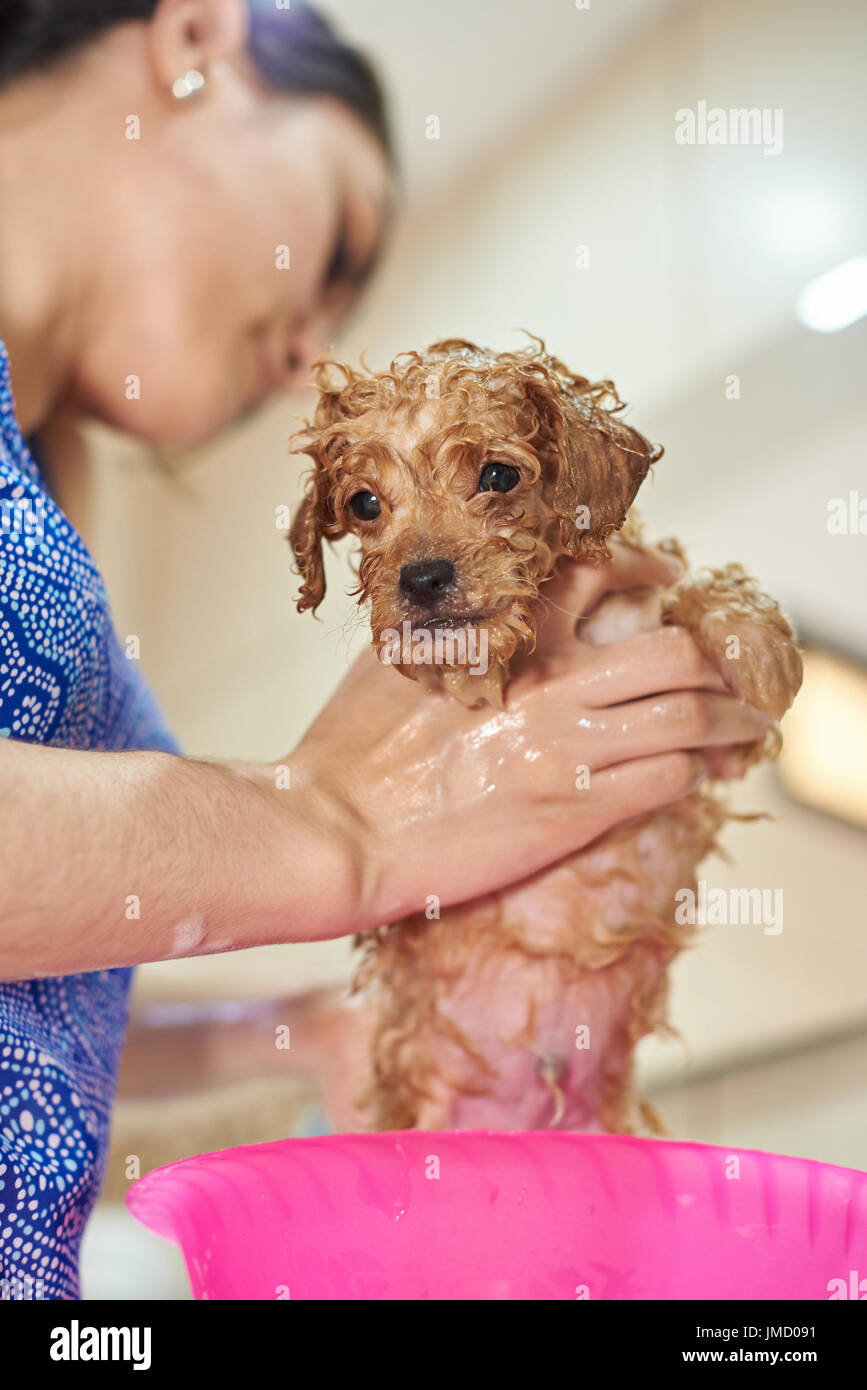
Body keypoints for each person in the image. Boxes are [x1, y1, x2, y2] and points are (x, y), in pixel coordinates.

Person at [0, 0, 770, 1300]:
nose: (313, 355)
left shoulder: (50, 479)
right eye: (340, 243)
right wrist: (329, 825)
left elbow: (44, 982)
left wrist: (287, 1027)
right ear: (197, 36)